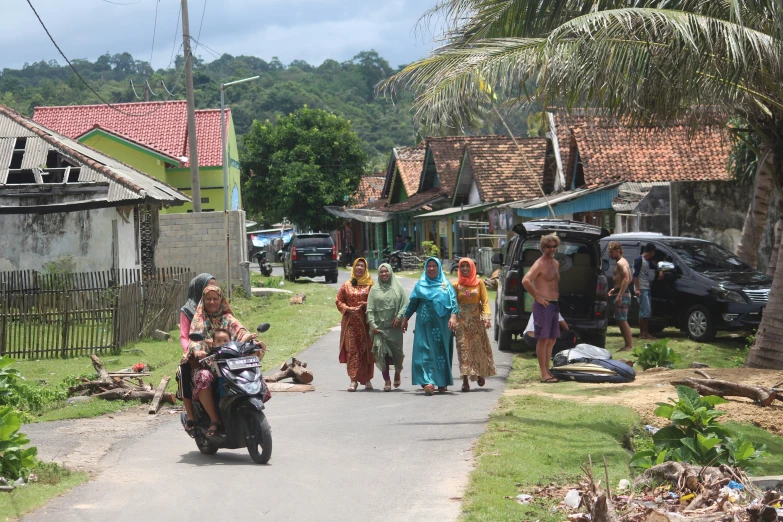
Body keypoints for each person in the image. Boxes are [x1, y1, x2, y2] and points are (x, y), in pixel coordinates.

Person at [183, 284, 252, 436]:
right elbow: (194, 338)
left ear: (221, 300)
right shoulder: (200, 320)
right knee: (203, 377)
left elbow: (240, 331)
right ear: (203, 300)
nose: (212, 302)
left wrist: (248, 337)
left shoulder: (228, 318)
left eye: (215, 299)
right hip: (207, 365)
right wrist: (198, 350)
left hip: (230, 364)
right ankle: (215, 420)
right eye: (209, 299)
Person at [401, 258, 459, 395]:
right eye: (429, 266)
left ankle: (442, 381)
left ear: (439, 268)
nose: (431, 269)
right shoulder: (420, 284)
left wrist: (453, 316)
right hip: (424, 324)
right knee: (424, 351)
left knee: (441, 352)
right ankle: (428, 382)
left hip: (442, 326)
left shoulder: (446, 285)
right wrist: (405, 319)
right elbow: (413, 304)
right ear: (425, 268)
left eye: (434, 266)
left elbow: (454, 302)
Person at [178, 273, 216, 433]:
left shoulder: (216, 307)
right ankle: (191, 416)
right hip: (196, 353)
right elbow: (184, 336)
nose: (212, 293)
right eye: (208, 288)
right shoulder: (188, 310)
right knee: (183, 371)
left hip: (218, 351)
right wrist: (192, 350)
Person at [521, 234, 561, 383]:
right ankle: (543, 373)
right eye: (548, 246)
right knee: (543, 339)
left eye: (554, 246)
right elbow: (525, 280)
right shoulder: (540, 263)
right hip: (543, 305)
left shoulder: (555, 263)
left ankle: (548, 370)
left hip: (554, 303)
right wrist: (537, 297)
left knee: (552, 339)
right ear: (543, 248)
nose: (551, 249)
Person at [452, 258, 496, 392]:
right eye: (462, 266)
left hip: (476, 322)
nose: (465, 268)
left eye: (467, 266)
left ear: (472, 267)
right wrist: (453, 318)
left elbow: (485, 302)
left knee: (478, 348)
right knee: (463, 349)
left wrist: (486, 318)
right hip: (461, 322)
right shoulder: (455, 285)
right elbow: (453, 304)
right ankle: (465, 380)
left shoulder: (479, 283)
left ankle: (480, 373)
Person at [367, 263, 408, 391]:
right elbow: (370, 309)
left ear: (390, 272)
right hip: (380, 328)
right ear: (378, 274)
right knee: (382, 354)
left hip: (394, 328)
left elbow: (405, 303)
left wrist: (399, 317)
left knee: (397, 355)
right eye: (381, 272)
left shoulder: (397, 287)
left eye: (386, 272)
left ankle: (397, 372)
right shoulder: (374, 290)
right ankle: (387, 381)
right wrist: (373, 325)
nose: (384, 274)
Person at [336, 258, 375, 391]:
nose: (359, 268)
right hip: (350, 324)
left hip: (366, 323)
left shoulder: (370, 285)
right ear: (353, 267)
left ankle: (367, 379)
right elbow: (339, 301)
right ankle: (353, 380)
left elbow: (376, 302)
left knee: (366, 351)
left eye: (362, 266)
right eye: (357, 265)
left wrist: (366, 305)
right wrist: (347, 309)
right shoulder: (346, 285)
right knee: (352, 350)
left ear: (365, 268)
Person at [607, 241, 634, 351]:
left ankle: (629, 345)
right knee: (619, 319)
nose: (610, 255)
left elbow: (627, 278)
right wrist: (615, 288)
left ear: (618, 251)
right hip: (621, 291)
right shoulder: (623, 261)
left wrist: (619, 295)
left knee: (622, 320)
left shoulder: (621, 263)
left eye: (611, 252)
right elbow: (628, 279)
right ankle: (627, 344)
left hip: (623, 294)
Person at [634, 243, 663, 340]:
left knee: (644, 311)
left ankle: (644, 333)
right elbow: (635, 275)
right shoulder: (639, 260)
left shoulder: (648, 261)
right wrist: (637, 288)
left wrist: (660, 271)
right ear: (651, 252)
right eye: (653, 252)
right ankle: (644, 333)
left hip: (646, 287)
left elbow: (656, 266)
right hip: (641, 288)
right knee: (645, 311)